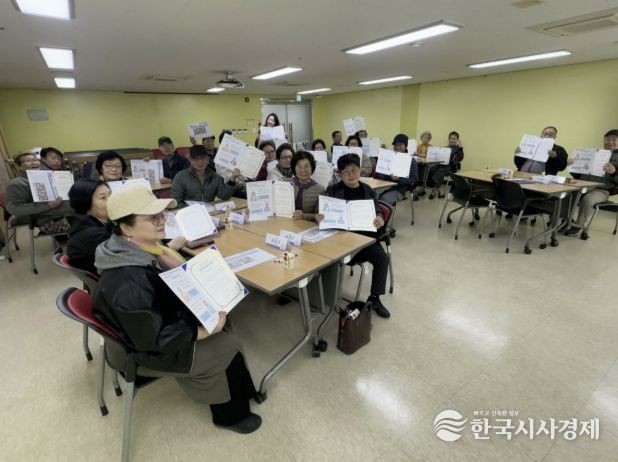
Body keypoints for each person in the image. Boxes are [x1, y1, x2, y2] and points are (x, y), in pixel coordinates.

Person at [94, 184, 261, 433]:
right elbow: (155, 338)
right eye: (152, 217)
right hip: (148, 349)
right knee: (227, 346)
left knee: (227, 324)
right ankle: (230, 416)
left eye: (161, 214)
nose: (161, 220)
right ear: (126, 228)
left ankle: (240, 390)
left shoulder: (141, 249)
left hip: (155, 326)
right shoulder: (128, 281)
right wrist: (203, 331)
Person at [315, 154, 391, 318]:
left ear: (360, 170)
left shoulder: (368, 191)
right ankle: (324, 296)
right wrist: (319, 216)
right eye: (346, 171)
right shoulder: (333, 190)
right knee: (322, 257)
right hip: (338, 240)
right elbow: (320, 212)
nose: (351, 174)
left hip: (363, 240)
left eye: (355, 170)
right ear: (340, 174)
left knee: (382, 258)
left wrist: (379, 218)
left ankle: (375, 298)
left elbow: (377, 211)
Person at [565, 129, 618, 236]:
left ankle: (578, 225)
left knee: (587, 200)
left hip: (601, 190)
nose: (610, 142)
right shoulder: (595, 153)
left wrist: (614, 173)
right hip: (583, 185)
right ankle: (565, 220)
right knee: (565, 193)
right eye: (607, 139)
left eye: (614, 140)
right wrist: (572, 166)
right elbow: (579, 176)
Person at [5, 152, 72, 235]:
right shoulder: (17, 183)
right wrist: (48, 205)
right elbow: (14, 208)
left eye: (35, 160)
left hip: (61, 213)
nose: (34, 162)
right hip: (47, 221)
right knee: (85, 222)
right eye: (28, 161)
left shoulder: (44, 176)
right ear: (19, 166)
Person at [66, 178, 113, 274]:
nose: (112, 200)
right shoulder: (94, 235)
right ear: (86, 203)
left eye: (110, 195)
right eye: (103, 198)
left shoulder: (83, 221)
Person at [172, 145, 241, 206]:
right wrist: (192, 210)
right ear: (191, 160)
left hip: (209, 211)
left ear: (208, 159)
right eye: (196, 159)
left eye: (203, 158)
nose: (200, 161)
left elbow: (224, 196)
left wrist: (232, 179)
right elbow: (176, 202)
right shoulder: (180, 177)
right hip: (188, 212)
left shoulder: (215, 176)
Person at [374, 134, 418, 205]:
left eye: (400, 145)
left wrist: (399, 179)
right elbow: (379, 175)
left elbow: (413, 179)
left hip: (399, 189)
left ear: (405, 146)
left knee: (383, 199)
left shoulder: (411, 161)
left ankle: (383, 212)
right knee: (369, 196)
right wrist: (380, 166)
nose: (397, 147)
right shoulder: (388, 157)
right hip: (383, 186)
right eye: (395, 145)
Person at [428, 131, 464, 199]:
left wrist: (461, 147)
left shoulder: (458, 149)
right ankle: (426, 187)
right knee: (430, 168)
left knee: (441, 170)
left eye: (454, 139)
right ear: (449, 139)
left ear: (457, 140)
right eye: (451, 138)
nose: (452, 140)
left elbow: (461, 158)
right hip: (441, 165)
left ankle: (435, 190)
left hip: (451, 167)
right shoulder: (445, 148)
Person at [291, 151, 325, 221]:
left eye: (307, 166)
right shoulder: (285, 184)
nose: (303, 170)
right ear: (294, 168)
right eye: (299, 167)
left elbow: (319, 216)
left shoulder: (320, 189)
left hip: (308, 225)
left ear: (312, 168)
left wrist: (305, 216)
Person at [415, 131, 432, 197]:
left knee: (423, 169)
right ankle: (418, 186)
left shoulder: (430, 147)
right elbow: (415, 154)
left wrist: (418, 154)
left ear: (429, 139)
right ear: (421, 138)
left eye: (427, 138)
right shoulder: (418, 146)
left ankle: (421, 186)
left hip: (426, 165)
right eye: (423, 137)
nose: (425, 139)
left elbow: (428, 156)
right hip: (418, 163)